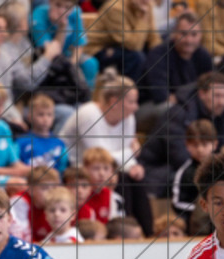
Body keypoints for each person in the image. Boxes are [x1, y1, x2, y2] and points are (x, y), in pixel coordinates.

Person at [59, 70, 154, 235]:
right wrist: (128, 155)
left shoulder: (128, 117)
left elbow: (123, 155)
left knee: (136, 177)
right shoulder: (89, 114)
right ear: (115, 101)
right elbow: (99, 155)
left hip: (104, 167)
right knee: (122, 179)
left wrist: (133, 164)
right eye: (131, 102)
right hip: (78, 167)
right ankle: (122, 231)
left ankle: (146, 232)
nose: (136, 107)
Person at [138, 71, 224, 198]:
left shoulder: (223, 116)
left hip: (193, 168)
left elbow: (222, 151)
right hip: (158, 172)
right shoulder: (178, 115)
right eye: (217, 96)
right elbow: (180, 157)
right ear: (202, 94)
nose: (222, 102)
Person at [139, 11, 212, 106]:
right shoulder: (158, 55)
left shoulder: (203, 55)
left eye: (194, 34)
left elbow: (210, 89)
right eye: (183, 34)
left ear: (201, 35)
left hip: (187, 104)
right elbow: (161, 96)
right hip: (153, 105)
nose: (189, 40)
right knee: (170, 108)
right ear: (174, 33)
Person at [85, 0, 161, 83]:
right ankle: (130, 92)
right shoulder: (116, 8)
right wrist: (143, 18)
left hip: (121, 46)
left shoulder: (146, 6)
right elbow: (133, 46)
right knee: (136, 58)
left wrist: (158, 54)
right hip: (98, 49)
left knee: (157, 54)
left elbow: (153, 37)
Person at [31, 0, 99, 87]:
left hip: (66, 54)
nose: (62, 11)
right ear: (50, 2)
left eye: (67, 7)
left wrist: (72, 65)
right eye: (58, 5)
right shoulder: (39, 15)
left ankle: (85, 95)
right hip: (44, 57)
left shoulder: (75, 12)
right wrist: (62, 27)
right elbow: (53, 53)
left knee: (90, 63)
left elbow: (79, 45)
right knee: (58, 71)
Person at [172, 119, 216, 226]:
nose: (200, 149)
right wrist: (202, 211)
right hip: (194, 224)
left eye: (204, 144)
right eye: (195, 145)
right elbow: (178, 204)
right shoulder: (185, 173)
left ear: (214, 144)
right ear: (187, 145)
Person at [17, 93, 68, 175]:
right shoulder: (21, 142)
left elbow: (63, 171)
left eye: (49, 115)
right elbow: (17, 167)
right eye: (41, 114)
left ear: (53, 117)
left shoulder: (59, 143)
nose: (45, 119)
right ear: (29, 117)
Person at [11, 166, 61, 242]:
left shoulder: (57, 203)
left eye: (54, 188)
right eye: (44, 188)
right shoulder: (19, 202)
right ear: (30, 190)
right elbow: (20, 238)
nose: (51, 192)